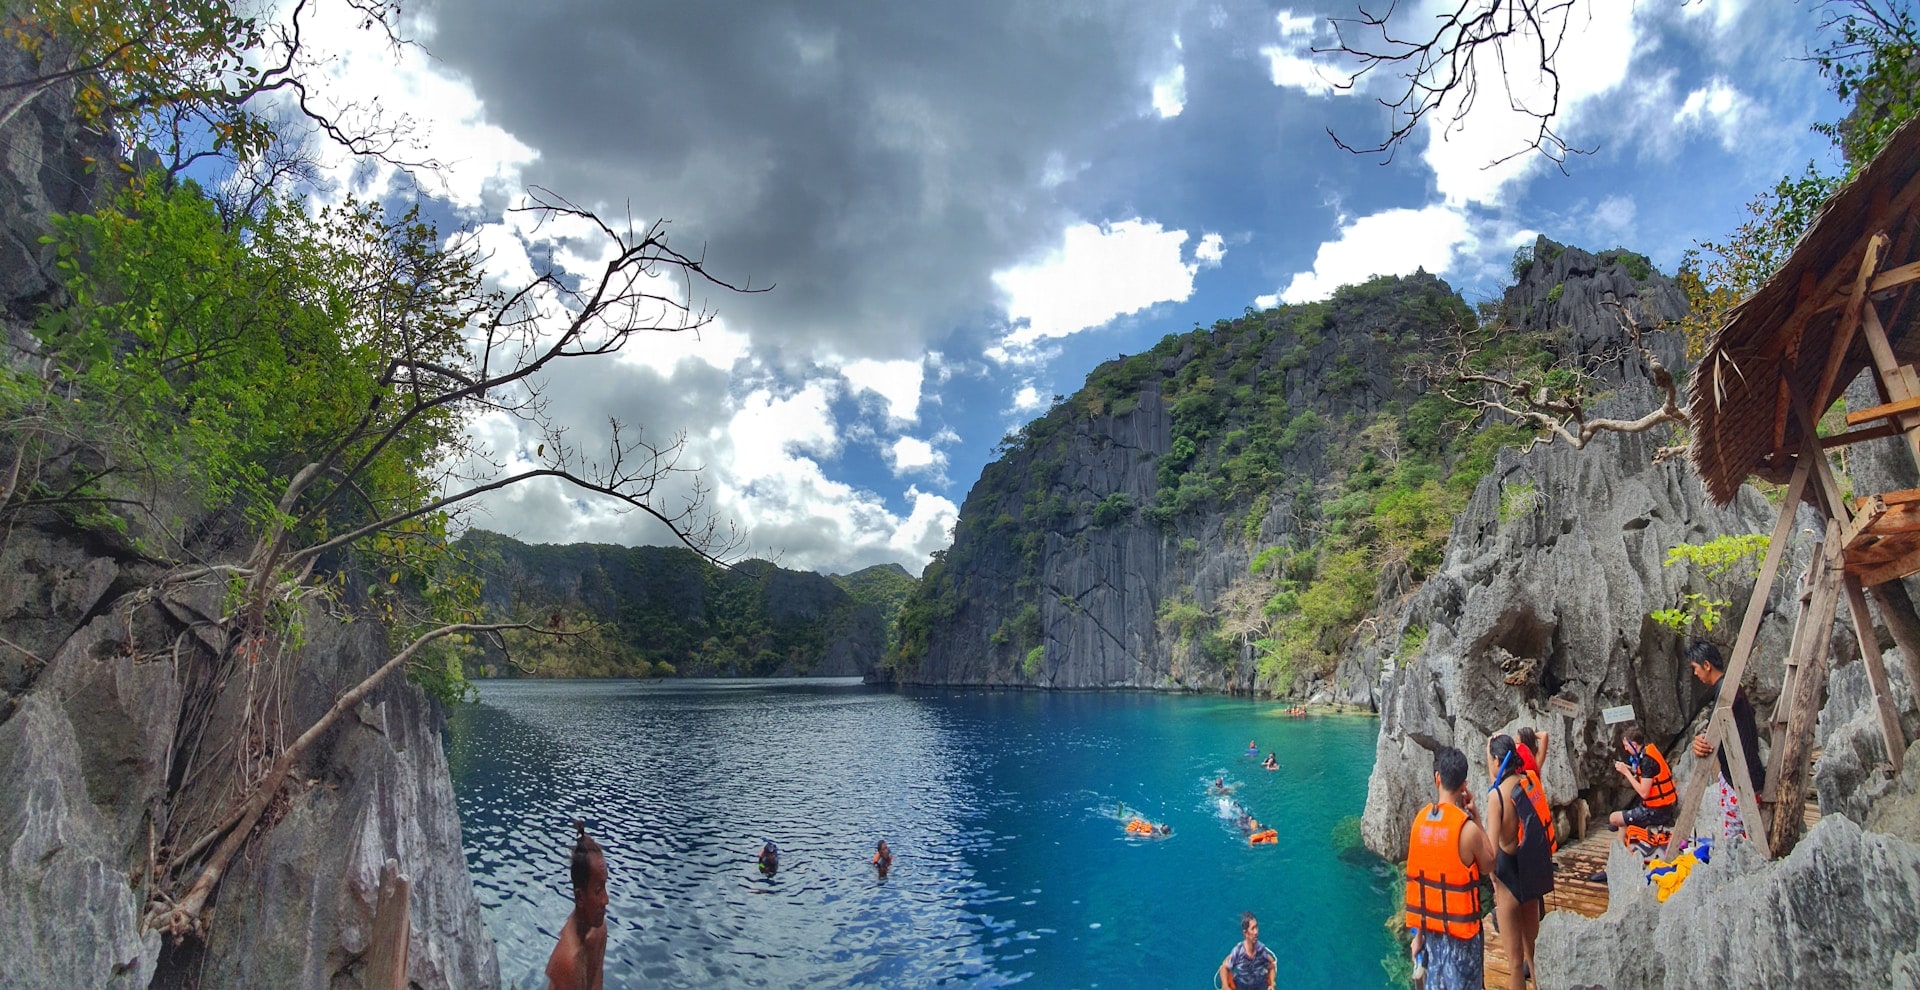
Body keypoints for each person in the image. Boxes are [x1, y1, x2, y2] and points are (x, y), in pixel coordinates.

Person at [1404, 746, 1494, 990]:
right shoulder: (1468, 830)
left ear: (1437, 778)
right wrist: (1477, 819)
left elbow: (1421, 886)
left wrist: (1418, 937)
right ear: (1464, 785)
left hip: (1431, 938)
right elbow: (1489, 864)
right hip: (1463, 943)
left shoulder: (1420, 823)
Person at [1485, 734, 1554, 990]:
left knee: (1515, 963)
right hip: (1531, 874)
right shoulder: (1529, 782)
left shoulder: (1497, 798)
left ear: (1495, 760)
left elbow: (1491, 855)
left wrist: (1492, 881)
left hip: (1509, 879)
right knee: (1533, 954)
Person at [1687, 640, 1763, 842]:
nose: (1695, 674)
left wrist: (1705, 740)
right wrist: (1703, 738)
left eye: (1695, 668)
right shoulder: (1726, 689)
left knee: (1738, 839)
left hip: (1742, 778)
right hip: (1738, 775)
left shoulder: (1728, 690)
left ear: (1706, 665)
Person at [545, 820, 607, 990]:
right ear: (580, 897)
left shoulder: (599, 929)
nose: (606, 900)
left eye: (605, 887)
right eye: (598, 890)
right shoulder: (567, 960)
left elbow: (596, 982)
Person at [1605, 725, 1677, 834]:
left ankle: (1623, 844)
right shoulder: (1648, 752)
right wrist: (1629, 768)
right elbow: (1647, 775)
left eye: (1626, 746)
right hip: (1663, 807)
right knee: (1619, 822)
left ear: (1633, 745)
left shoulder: (1647, 761)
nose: (1625, 749)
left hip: (1656, 812)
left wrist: (1626, 773)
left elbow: (1644, 793)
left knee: (1613, 818)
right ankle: (1621, 847)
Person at [1217, 911, 1277, 990]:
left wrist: (1272, 983)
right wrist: (1225, 986)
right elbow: (1223, 969)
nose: (1256, 932)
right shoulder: (1238, 952)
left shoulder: (1261, 950)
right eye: (1252, 929)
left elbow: (1271, 967)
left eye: (1256, 927)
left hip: (1259, 985)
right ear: (1245, 933)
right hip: (1242, 986)